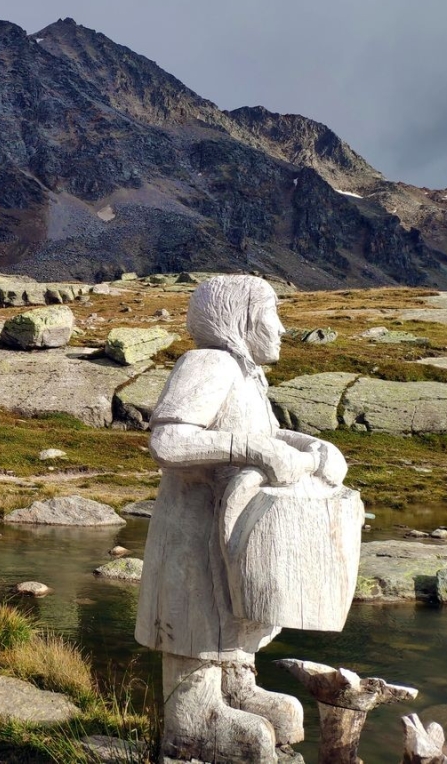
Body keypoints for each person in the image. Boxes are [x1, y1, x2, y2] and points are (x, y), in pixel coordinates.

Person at [135, 274, 348, 762]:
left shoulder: (246, 374)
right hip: (194, 531)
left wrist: (313, 447)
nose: (281, 327)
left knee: (233, 613)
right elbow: (167, 440)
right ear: (240, 318)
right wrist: (250, 449)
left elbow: (269, 433)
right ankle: (193, 715)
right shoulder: (208, 363)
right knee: (199, 616)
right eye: (272, 313)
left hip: (228, 528)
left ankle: (235, 685)